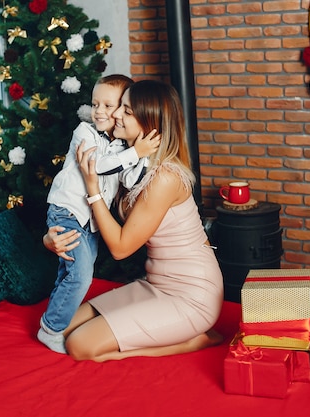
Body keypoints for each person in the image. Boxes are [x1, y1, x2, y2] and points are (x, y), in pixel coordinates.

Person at [44, 79, 224, 362]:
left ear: (148, 122)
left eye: (126, 111)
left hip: (190, 295)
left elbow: (120, 248)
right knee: (65, 325)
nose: (115, 114)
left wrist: (93, 190)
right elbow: (72, 205)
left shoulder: (164, 177)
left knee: (80, 346)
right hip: (154, 284)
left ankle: (192, 341)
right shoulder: (125, 162)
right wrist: (49, 237)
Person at [38, 74, 161, 354]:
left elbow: (129, 181)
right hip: (68, 211)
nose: (100, 112)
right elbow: (97, 167)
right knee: (81, 275)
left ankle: (57, 318)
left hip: (90, 220)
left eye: (109, 105)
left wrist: (142, 155)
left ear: (122, 110)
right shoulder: (85, 132)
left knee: (69, 273)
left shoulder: (122, 145)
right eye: (96, 105)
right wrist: (135, 153)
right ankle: (51, 328)